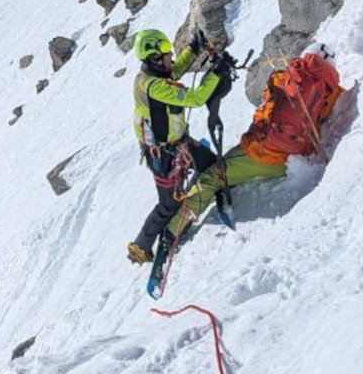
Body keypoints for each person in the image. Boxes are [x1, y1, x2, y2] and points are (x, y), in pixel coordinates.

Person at [163, 41, 345, 240]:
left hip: (264, 154)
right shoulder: (333, 90)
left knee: (212, 177)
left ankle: (172, 231)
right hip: (295, 159)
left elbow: (264, 112)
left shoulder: (286, 76)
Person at [125, 29, 235, 264]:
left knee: (211, 163)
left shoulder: (152, 76)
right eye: (165, 53)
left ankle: (205, 196)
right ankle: (141, 247)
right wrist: (216, 73)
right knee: (168, 205)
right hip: (163, 157)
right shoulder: (154, 87)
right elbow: (195, 98)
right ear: (154, 58)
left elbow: (174, 71)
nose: (170, 57)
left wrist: (194, 49)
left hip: (177, 145)